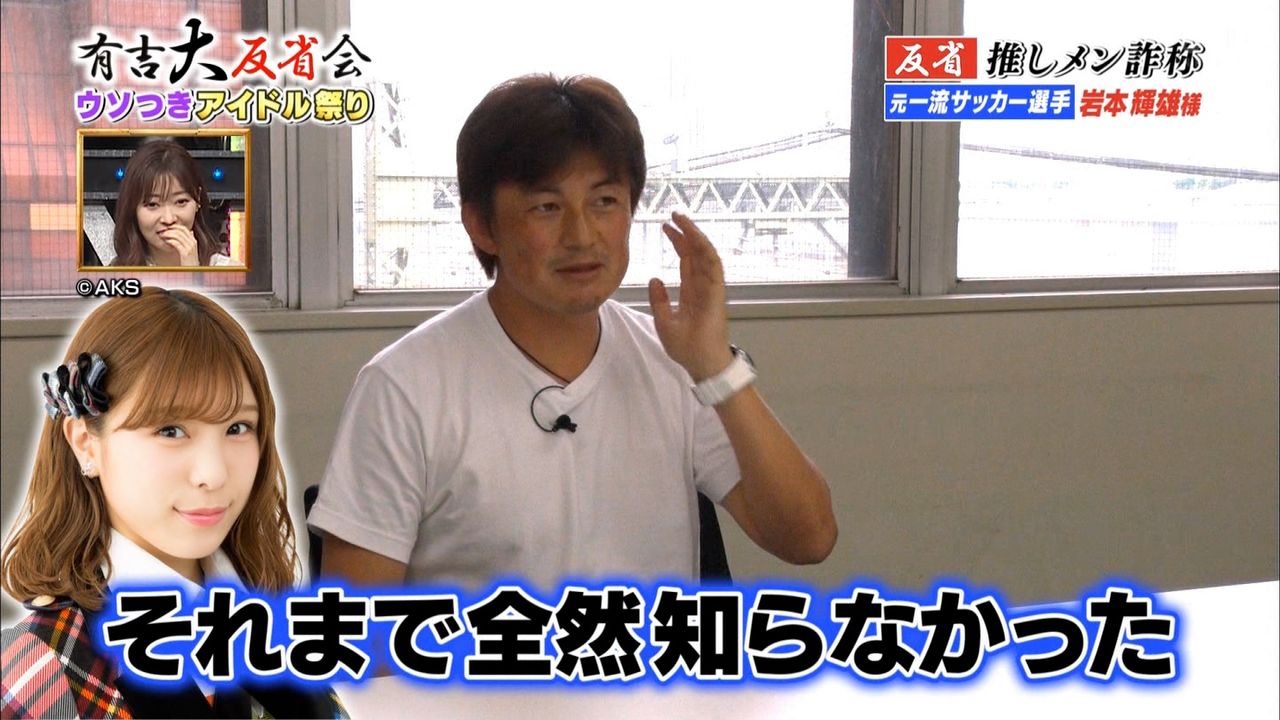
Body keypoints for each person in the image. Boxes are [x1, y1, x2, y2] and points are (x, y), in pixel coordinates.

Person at [308, 74, 837, 590]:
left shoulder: (675, 364)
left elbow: (809, 538)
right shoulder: (404, 386)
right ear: (482, 226)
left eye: (604, 202)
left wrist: (717, 368)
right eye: (547, 207)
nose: (582, 236)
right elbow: (355, 631)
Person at [1, 287, 344, 718]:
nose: (213, 474)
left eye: (237, 427)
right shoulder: (39, 671)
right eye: (170, 431)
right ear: (86, 442)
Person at [109, 140, 235, 267]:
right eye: (152, 204)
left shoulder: (230, 272)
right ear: (133, 207)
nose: (168, 219)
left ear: (198, 199)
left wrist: (194, 273)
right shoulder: (116, 274)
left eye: (181, 201)